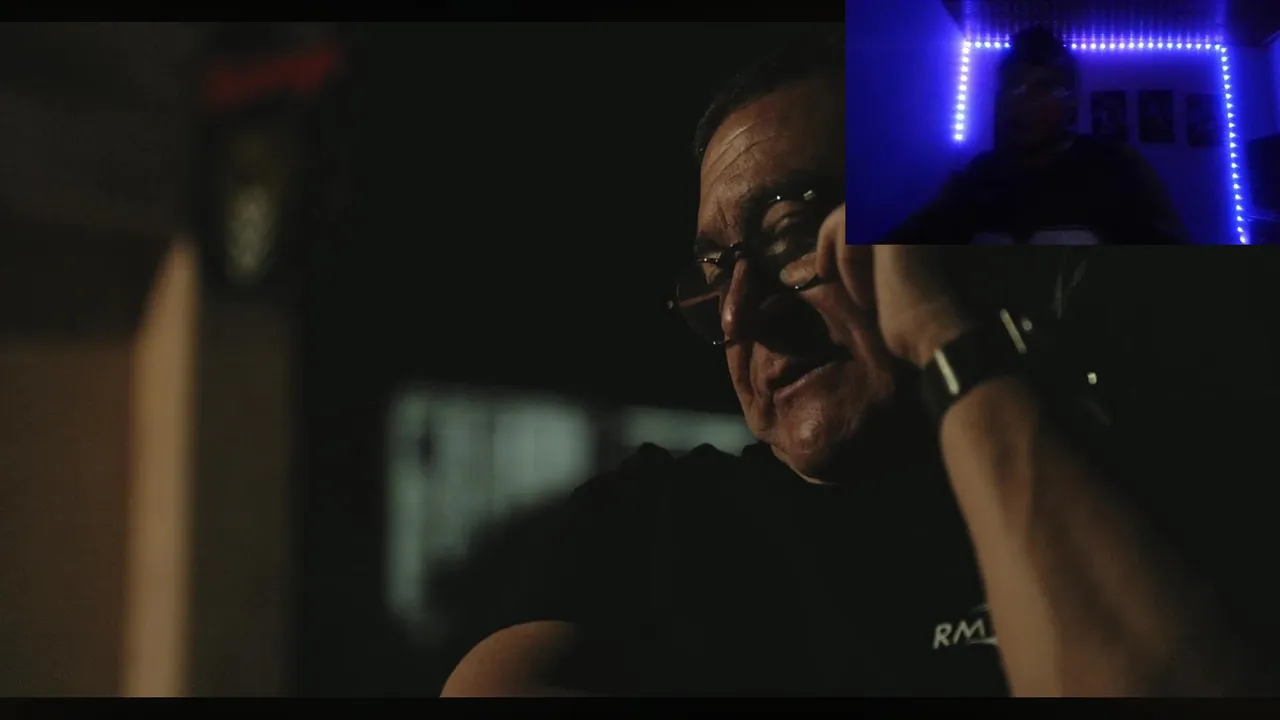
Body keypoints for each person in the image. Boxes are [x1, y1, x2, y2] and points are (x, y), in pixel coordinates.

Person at [441, 33, 1279, 697]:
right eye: (714, 272)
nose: (738, 316)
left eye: (791, 234)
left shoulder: (1141, 469)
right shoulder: (651, 522)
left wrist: (947, 335)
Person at [909, 26, 1187, 245]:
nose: (1022, 101)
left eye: (1043, 88)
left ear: (1072, 103)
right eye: (1012, 86)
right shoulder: (978, 177)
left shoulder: (1117, 167)